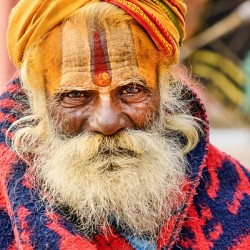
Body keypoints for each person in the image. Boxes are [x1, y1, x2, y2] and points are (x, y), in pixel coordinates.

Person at [0, 1, 249, 249]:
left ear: (165, 89)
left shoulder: (237, 197)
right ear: (38, 100)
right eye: (75, 95)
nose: (107, 122)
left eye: (131, 89)